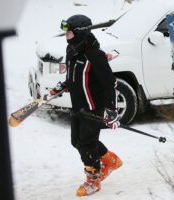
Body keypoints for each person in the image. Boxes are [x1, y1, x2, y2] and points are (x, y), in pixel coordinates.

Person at [50, 14, 122, 196]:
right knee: (77, 141)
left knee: (87, 144)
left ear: (80, 32)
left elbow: (110, 83)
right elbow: (74, 76)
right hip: (78, 105)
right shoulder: (72, 50)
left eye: (69, 32)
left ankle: (93, 181)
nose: (66, 35)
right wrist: (64, 85)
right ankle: (110, 160)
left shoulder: (95, 55)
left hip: (93, 107)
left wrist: (112, 110)